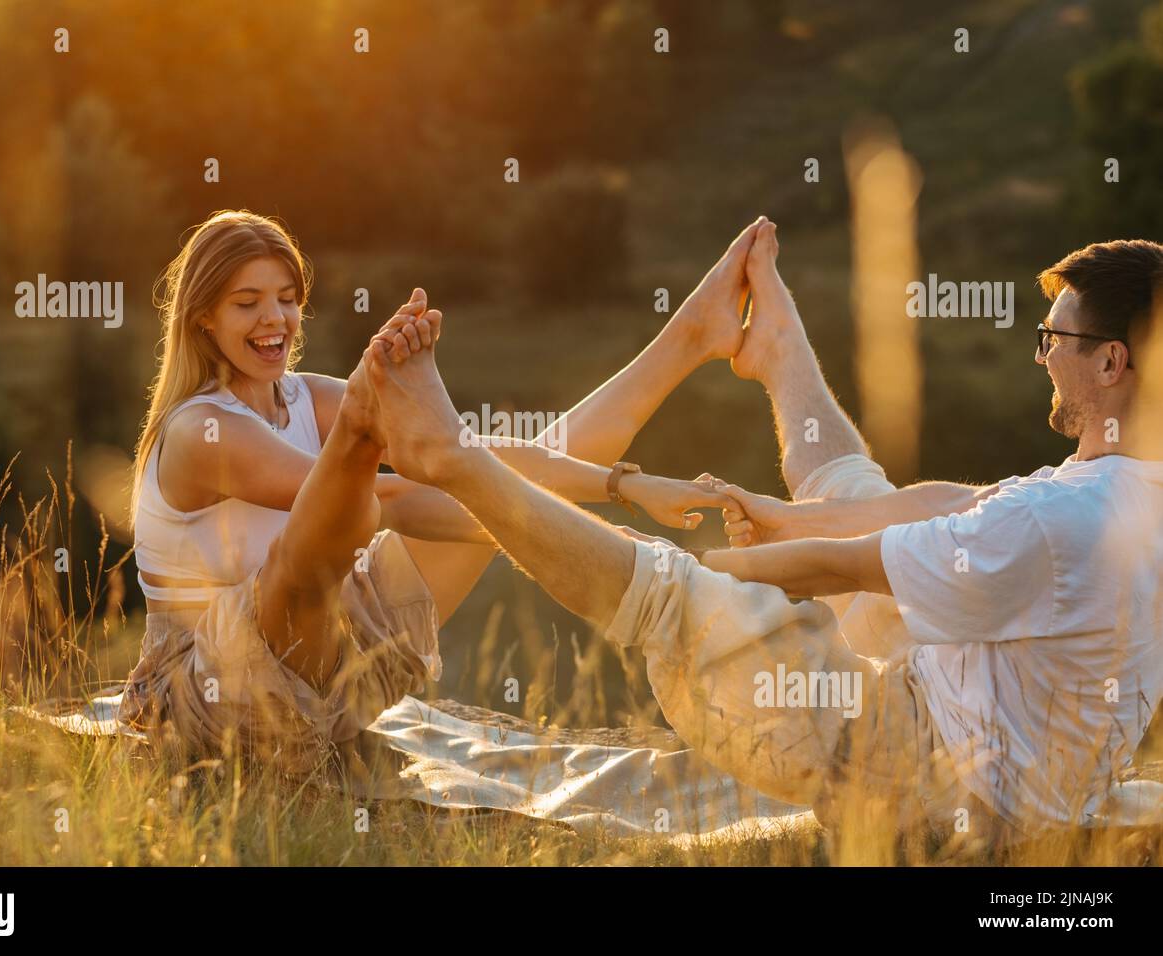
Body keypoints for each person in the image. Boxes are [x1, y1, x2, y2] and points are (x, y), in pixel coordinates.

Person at [360, 222, 1163, 839]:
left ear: (1110, 364)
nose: (1040, 357)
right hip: (977, 732)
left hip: (925, 774)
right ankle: (778, 349)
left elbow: (841, 568)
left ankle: (451, 459)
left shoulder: (1060, 519)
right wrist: (784, 515)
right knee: (856, 491)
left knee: (671, 591)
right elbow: (954, 502)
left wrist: (693, 567)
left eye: (1054, 339)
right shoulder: (1119, 493)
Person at [119, 209, 763, 768]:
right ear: (202, 317)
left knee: (473, 469)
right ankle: (374, 423)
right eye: (246, 302)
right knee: (328, 530)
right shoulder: (199, 431)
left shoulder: (305, 396)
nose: (275, 318)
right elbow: (381, 504)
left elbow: (470, 464)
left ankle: (690, 337)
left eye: (286, 297)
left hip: (336, 662)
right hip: (210, 692)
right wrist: (546, 529)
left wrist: (625, 486)